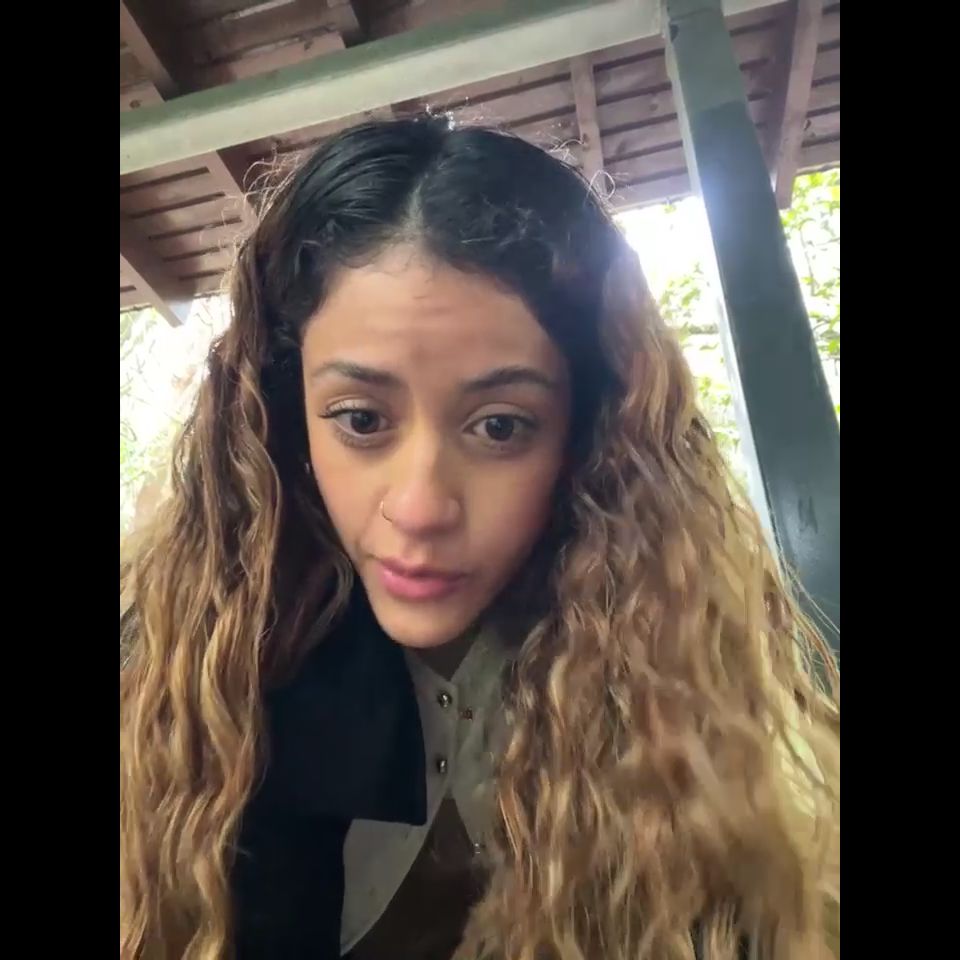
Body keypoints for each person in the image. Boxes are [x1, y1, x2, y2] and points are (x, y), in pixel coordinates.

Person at [119, 116, 839, 960]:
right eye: (361, 420)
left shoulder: (689, 699)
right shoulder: (170, 678)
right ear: (285, 418)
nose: (421, 507)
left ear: (585, 434)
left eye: (500, 426)